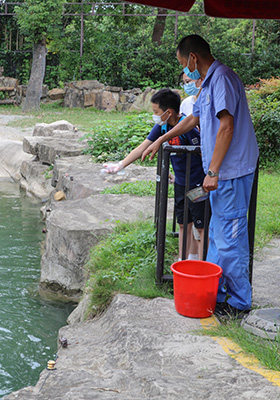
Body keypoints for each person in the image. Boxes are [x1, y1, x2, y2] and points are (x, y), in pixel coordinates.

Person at [142, 34, 259, 319]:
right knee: (218, 238)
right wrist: (161, 140)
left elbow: (227, 127)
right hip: (222, 173)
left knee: (230, 237)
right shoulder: (207, 84)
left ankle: (240, 303)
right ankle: (216, 294)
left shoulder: (222, 79)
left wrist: (213, 171)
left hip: (230, 172)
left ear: (193, 58)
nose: (185, 70)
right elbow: (193, 119)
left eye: (184, 63)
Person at [102, 88, 206, 261]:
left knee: (201, 227)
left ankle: (200, 265)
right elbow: (143, 146)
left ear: (168, 112)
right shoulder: (162, 127)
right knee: (183, 224)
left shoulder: (187, 127)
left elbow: (203, 152)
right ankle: (182, 263)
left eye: (156, 112)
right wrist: (119, 165)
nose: (154, 116)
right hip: (181, 183)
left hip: (197, 184)